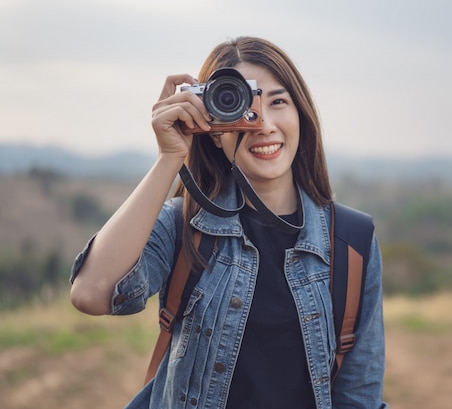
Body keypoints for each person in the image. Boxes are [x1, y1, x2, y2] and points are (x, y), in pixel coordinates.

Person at [69, 36, 388, 409]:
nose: (264, 124)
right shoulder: (184, 226)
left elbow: (358, 396)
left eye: (278, 101)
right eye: (240, 104)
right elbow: (91, 294)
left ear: (301, 113)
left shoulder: (351, 242)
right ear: (212, 129)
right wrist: (169, 157)